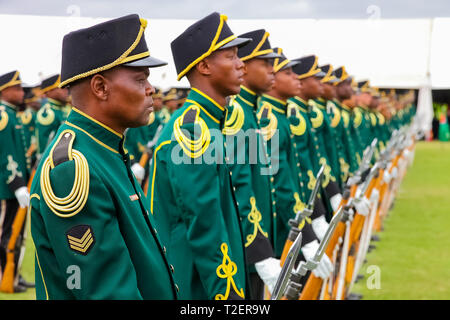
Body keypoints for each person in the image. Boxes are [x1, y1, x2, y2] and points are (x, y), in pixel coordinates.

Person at [30, 14, 178, 300]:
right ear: (100, 87)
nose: (151, 89)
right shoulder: (72, 168)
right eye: (139, 79)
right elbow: (108, 293)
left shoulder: (105, 148)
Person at [149, 12, 251, 300]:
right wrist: (229, 297)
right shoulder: (191, 131)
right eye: (231, 56)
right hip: (197, 286)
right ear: (205, 66)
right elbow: (204, 225)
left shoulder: (208, 122)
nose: (241, 64)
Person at [257, 48, 334, 282]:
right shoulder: (268, 118)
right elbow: (279, 182)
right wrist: (307, 233)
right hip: (281, 229)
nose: (296, 78)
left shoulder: (281, 116)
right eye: (288, 73)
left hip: (296, 219)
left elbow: (303, 172)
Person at [222, 28, 281, 299]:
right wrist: (259, 248)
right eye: (266, 63)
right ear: (244, 67)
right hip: (246, 245)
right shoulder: (237, 114)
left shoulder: (251, 112)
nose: (273, 70)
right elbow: (239, 186)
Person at [0, 70, 31, 293]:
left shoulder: (11, 114)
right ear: (5, 90)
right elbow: (5, 154)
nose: (22, 93)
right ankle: (5, 277)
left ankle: (15, 276)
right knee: (8, 234)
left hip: (17, 186)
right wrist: (16, 183)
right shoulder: (3, 115)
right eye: (18, 88)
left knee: (18, 235)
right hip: (9, 187)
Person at [35, 74, 70, 157]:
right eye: (61, 88)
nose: (66, 90)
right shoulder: (46, 113)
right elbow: (44, 146)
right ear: (49, 91)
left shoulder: (60, 109)